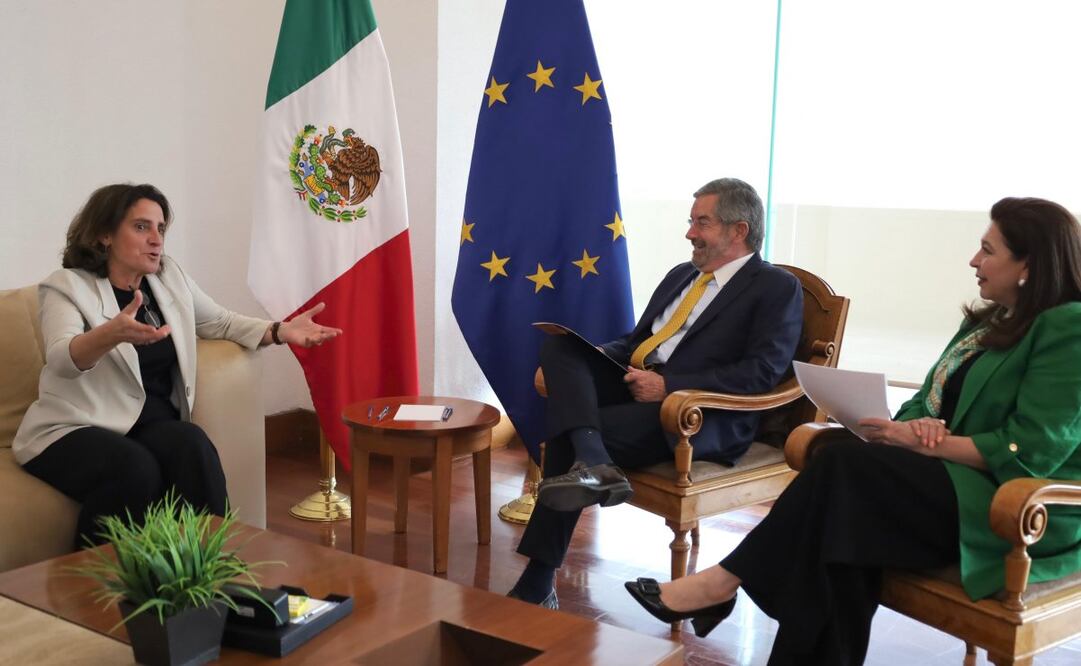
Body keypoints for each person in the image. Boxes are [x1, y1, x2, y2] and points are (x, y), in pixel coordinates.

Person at [625, 196, 1081, 665]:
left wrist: (930, 441)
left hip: (1016, 503)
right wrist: (912, 425)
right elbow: (926, 400)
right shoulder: (984, 322)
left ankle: (723, 581)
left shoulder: (1069, 328)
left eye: (988, 250)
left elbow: (1032, 448)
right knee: (839, 513)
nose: (973, 260)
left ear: (1030, 263)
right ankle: (724, 588)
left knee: (843, 474)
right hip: (946, 480)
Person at [508, 178, 804, 608]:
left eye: (702, 223)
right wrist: (593, 356)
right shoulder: (682, 275)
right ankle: (596, 462)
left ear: (738, 231)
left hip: (696, 413)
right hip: (638, 383)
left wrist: (669, 386)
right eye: (691, 221)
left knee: (569, 430)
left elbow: (762, 372)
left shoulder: (775, 287)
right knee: (560, 346)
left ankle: (539, 578)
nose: (690, 233)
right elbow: (637, 342)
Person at [13, 183, 342, 547]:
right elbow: (61, 359)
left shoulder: (168, 278)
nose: (156, 239)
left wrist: (280, 330)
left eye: (161, 228)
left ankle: (216, 579)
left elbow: (220, 321)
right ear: (104, 234)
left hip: (147, 421)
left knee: (193, 446)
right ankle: (93, 594)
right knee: (135, 470)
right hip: (73, 427)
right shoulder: (67, 287)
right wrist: (110, 334)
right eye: (141, 227)